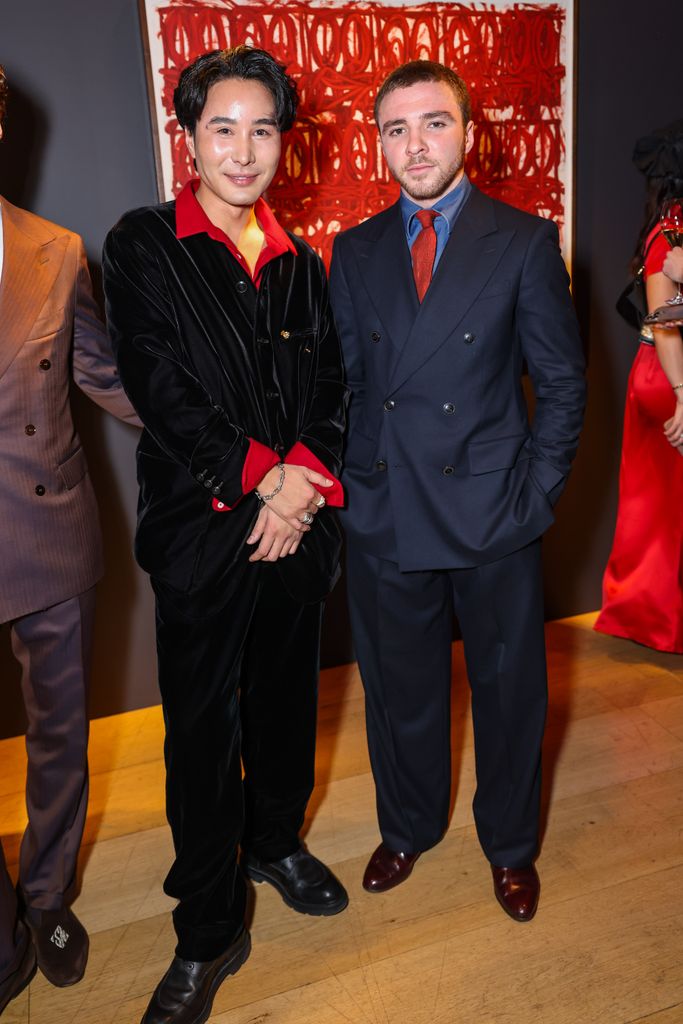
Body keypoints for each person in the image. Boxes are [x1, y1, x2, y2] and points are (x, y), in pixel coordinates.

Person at [102, 46, 348, 1024]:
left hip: (299, 532)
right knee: (203, 735)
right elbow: (162, 391)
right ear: (189, 137)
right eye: (222, 128)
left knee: (288, 700)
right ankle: (208, 926)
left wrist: (298, 492)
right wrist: (264, 482)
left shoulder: (302, 265)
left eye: (262, 129)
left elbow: (331, 391)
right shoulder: (141, 244)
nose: (243, 150)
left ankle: (276, 840)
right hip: (202, 536)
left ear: (282, 142)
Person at [329, 60, 585, 921]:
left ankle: (510, 845)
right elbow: (354, 387)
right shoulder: (355, 248)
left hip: (491, 514)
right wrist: (357, 490)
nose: (414, 145)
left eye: (433, 123)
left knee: (510, 695)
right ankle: (407, 826)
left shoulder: (521, 240)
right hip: (388, 509)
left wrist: (534, 494)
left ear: (469, 133)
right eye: (395, 128)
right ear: (379, 143)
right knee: (399, 687)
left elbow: (562, 383)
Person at [0, 64, 140, 1013]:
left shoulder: (56, 248)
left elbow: (106, 373)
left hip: (47, 534)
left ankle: (45, 894)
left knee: (58, 737)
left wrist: (237, 448)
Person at [595, 121, 683, 653]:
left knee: (659, 510)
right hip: (669, 377)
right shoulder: (670, 235)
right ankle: (653, 618)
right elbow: (664, 321)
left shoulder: (669, 231)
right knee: (661, 512)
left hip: (666, 373)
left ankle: (651, 615)